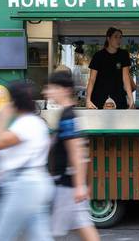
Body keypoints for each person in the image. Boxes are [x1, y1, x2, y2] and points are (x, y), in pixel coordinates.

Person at [0, 81, 54, 241]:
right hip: (34, 182)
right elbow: (27, 154)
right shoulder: (35, 123)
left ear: (13, 101)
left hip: (22, 186)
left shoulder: (25, 124)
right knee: (39, 236)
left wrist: (1, 117)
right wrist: (1, 173)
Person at [44, 71, 100, 241]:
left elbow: (77, 151)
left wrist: (80, 185)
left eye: (52, 88)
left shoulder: (68, 116)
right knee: (82, 227)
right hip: (69, 184)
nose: (47, 92)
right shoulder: (67, 114)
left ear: (65, 90)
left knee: (49, 233)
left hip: (67, 186)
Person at [86, 27, 134, 109]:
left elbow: (125, 78)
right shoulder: (98, 56)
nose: (118, 40)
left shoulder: (123, 55)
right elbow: (92, 79)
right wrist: (88, 99)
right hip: (99, 96)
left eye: (120, 37)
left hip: (118, 96)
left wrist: (131, 98)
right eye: (116, 37)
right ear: (108, 38)